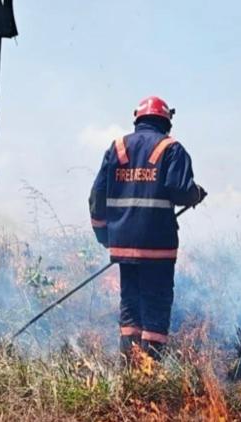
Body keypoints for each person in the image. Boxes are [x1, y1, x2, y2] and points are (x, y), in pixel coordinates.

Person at [89, 96, 207, 360]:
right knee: (155, 307)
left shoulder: (117, 147)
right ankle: (151, 375)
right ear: (166, 121)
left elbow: (96, 196)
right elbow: (181, 191)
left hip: (124, 246)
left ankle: (130, 371)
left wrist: (103, 234)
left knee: (130, 307)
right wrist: (196, 194)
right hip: (157, 246)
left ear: (138, 120)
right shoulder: (172, 148)